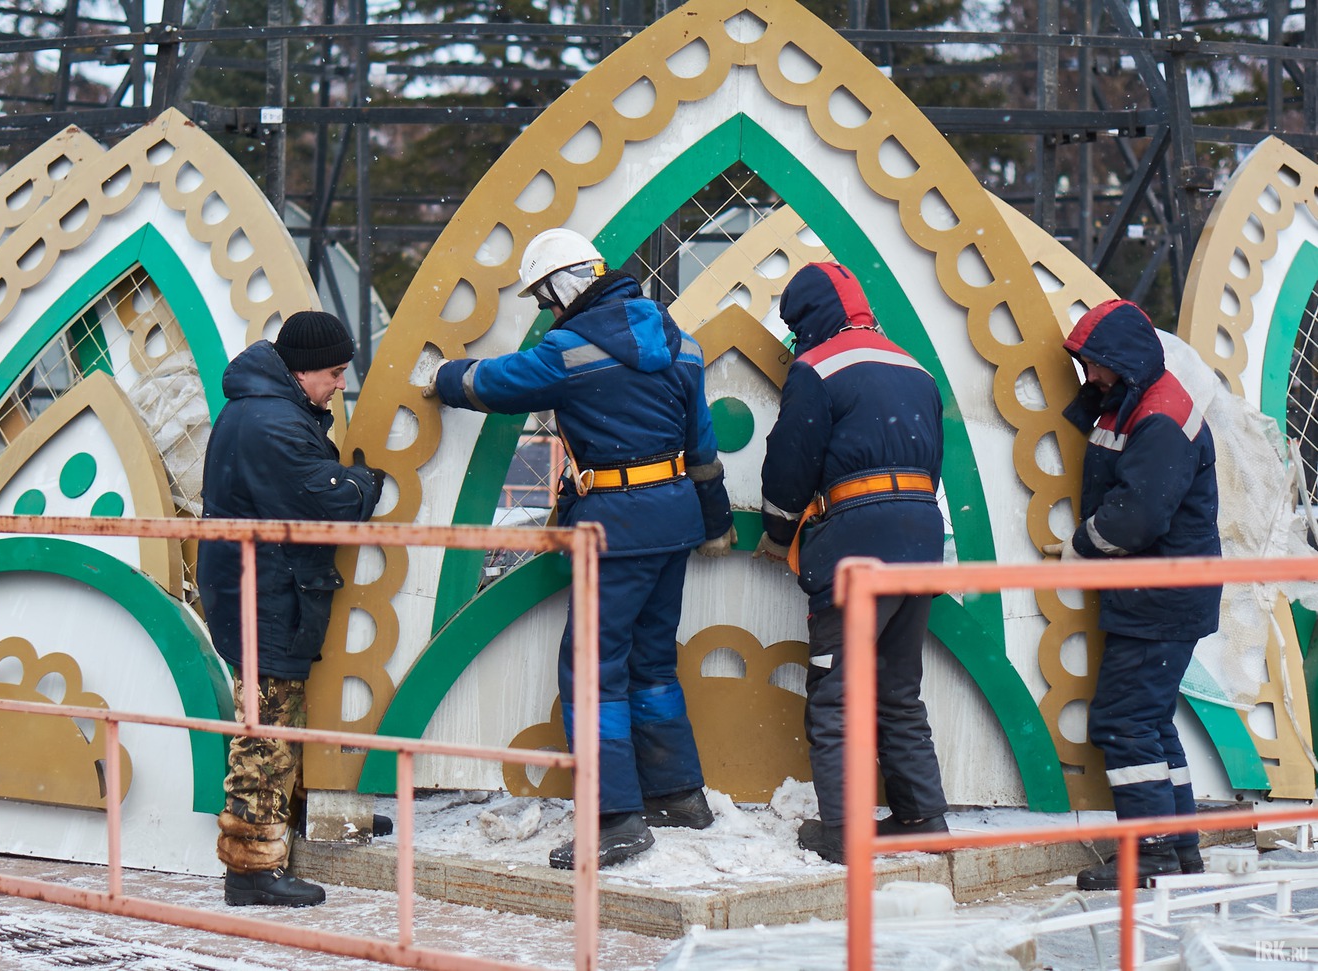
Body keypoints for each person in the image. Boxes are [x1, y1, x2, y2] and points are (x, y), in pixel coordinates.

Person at [425, 227, 735, 869]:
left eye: (546, 298)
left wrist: (442, 377)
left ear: (564, 285)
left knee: (593, 670)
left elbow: (495, 384)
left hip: (612, 529)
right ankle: (680, 794)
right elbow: (701, 447)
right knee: (651, 662)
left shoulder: (569, 351)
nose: (547, 312)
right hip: (674, 519)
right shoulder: (681, 344)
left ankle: (615, 815)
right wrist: (714, 521)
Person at [755, 260, 948, 865]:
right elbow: (932, 466)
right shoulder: (914, 367)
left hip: (857, 546)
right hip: (920, 539)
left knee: (836, 692)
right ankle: (922, 816)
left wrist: (777, 529)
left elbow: (790, 466)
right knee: (898, 688)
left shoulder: (816, 368)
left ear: (810, 320)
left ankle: (842, 832)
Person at [198, 310, 384, 907]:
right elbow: (325, 502)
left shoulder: (267, 408)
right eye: (333, 373)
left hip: (262, 584)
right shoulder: (271, 422)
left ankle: (276, 836)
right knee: (266, 728)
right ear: (302, 371)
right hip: (263, 590)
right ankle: (252, 868)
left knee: (276, 716)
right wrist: (364, 483)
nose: (340, 385)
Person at [1045, 298, 1220, 889]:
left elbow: (1137, 515)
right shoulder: (1145, 401)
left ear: (1123, 361)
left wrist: (1083, 546)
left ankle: (1146, 857)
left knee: (1123, 723)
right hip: (1163, 594)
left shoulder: (1159, 415)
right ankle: (1178, 850)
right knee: (1151, 723)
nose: (1089, 375)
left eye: (1095, 364)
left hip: (1158, 598)